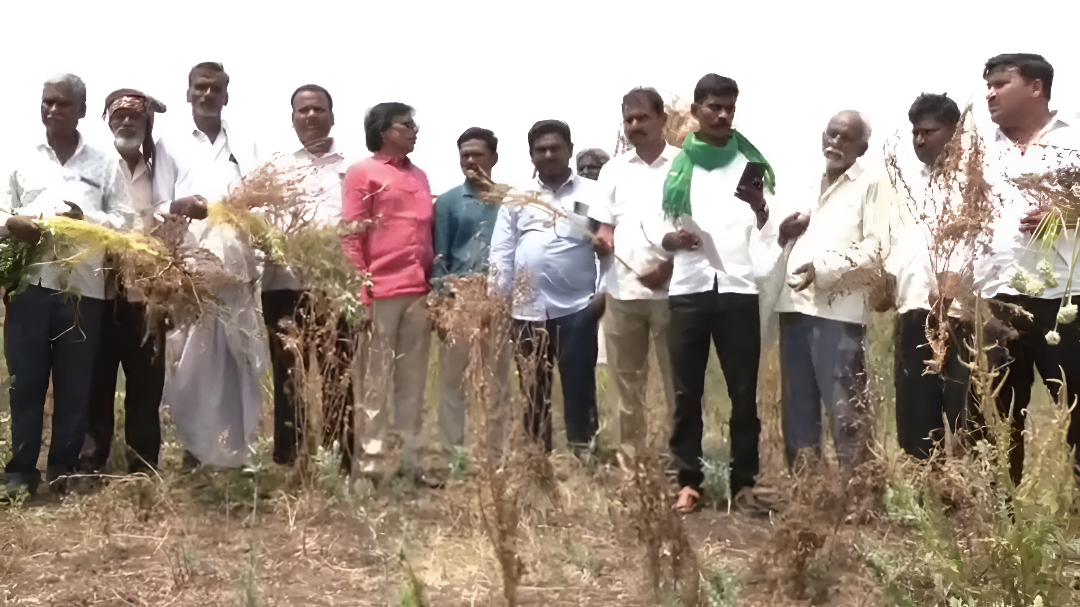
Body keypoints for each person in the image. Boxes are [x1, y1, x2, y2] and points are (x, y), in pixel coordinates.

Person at [1, 74, 132, 497]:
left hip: (83, 289)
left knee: (76, 387)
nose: (53, 109)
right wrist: (10, 223)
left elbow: (126, 222)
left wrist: (88, 220)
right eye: (47, 102)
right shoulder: (19, 155)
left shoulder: (104, 162)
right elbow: (1, 210)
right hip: (30, 286)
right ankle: (21, 473)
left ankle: (65, 470)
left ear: (82, 109)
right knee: (27, 382)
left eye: (62, 103)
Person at [656, 75, 774, 513]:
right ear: (696, 110)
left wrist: (760, 205)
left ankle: (745, 483)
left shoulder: (751, 162)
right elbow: (656, 227)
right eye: (714, 107)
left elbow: (770, 231)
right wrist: (672, 242)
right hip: (689, 289)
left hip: (739, 289)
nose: (723, 115)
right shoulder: (675, 165)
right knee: (687, 394)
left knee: (744, 393)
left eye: (729, 108)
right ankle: (689, 481)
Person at [153, 62, 268, 468]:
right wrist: (179, 207)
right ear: (188, 94)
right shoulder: (168, 144)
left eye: (214, 88)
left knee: (239, 357)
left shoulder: (245, 143)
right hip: (192, 267)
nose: (206, 94)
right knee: (191, 361)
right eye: (199, 87)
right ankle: (194, 449)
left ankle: (235, 452)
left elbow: (262, 204)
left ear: (225, 95)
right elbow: (156, 207)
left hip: (237, 267)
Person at [978, 53, 1080, 480]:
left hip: (1065, 303)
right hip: (997, 301)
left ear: (1036, 88)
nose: (989, 93)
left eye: (1000, 83)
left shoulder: (1074, 143)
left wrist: (1072, 212)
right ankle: (1001, 514)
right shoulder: (979, 154)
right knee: (998, 415)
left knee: (1077, 409)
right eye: (987, 85)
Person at [774, 110, 892, 474]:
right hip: (794, 307)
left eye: (845, 138)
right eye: (831, 135)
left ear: (862, 147)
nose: (835, 143)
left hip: (838, 313)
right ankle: (806, 496)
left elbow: (877, 248)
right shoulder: (806, 180)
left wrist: (822, 268)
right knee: (797, 408)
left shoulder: (873, 183)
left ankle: (857, 497)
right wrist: (782, 232)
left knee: (846, 411)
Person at [489, 119, 601, 454]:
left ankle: (584, 453)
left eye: (555, 147)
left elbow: (608, 247)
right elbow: (502, 250)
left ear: (569, 150)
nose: (549, 154)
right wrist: (500, 300)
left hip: (578, 308)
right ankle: (538, 457)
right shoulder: (517, 197)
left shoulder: (592, 193)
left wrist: (602, 295)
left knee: (580, 385)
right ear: (531, 155)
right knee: (533, 387)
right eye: (541, 149)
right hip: (527, 309)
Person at [341, 102, 433, 481]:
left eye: (414, 125)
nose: (414, 130)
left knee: (412, 380)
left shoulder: (421, 176)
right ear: (383, 130)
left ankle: (410, 460)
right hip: (380, 292)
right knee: (376, 381)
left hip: (418, 290)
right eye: (406, 125)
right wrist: (361, 288)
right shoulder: (363, 172)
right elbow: (351, 235)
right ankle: (375, 463)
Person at [262, 84, 354, 466]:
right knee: (289, 377)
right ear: (293, 118)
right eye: (303, 111)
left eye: (318, 109)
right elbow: (261, 223)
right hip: (283, 286)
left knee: (338, 376)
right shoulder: (277, 168)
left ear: (332, 116)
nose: (311, 116)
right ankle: (291, 457)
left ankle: (339, 457)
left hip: (334, 288)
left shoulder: (351, 169)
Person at [81, 89, 169, 474]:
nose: (127, 122)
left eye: (135, 117)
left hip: (147, 298)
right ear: (109, 123)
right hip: (100, 297)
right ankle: (91, 463)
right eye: (119, 117)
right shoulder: (97, 170)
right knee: (95, 387)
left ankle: (142, 467)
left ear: (148, 123)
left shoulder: (162, 173)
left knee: (146, 390)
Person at [587, 88, 678, 453]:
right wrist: (601, 239)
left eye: (643, 118)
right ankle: (633, 463)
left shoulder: (685, 165)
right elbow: (604, 224)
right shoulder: (612, 170)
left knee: (679, 384)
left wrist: (669, 269)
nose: (636, 125)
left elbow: (700, 230)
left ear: (662, 120)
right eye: (629, 120)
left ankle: (682, 462)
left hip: (673, 292)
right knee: (627, 386)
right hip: (623, 292)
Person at [888, 93, 970, 459]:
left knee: (966, 413)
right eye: (915, 133)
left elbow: (974, 245)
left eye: (929, 131)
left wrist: (947, 296)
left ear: (954, 131)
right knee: (916, 416)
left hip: (958, 315)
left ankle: (975, 499)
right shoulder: (911, 183)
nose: (920, 140)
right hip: (913, 310)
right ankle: (929, 498)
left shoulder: (976, 181)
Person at [432, 127, 512, 455]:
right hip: (459, 300)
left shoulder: (511, 198)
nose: (471, 161)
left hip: (500, 299)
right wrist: (440, 305)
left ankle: (497, 452)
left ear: (494, 158)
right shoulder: (449, 202)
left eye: (478, 154)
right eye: (465, 155)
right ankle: (455, 453)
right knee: (453, 381)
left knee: (499, 381)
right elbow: (440, 254)